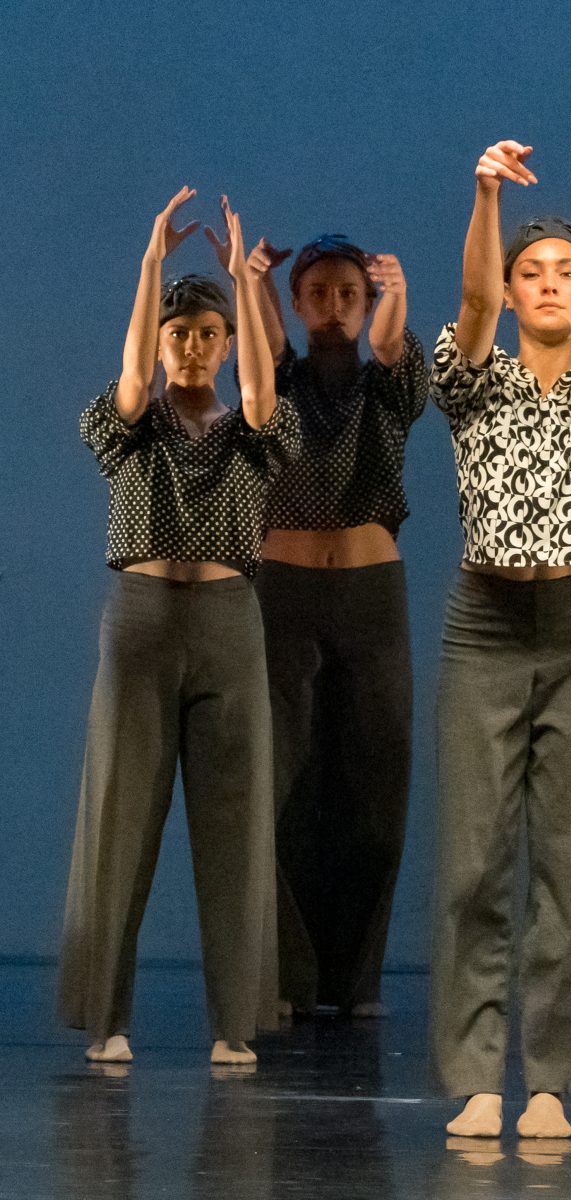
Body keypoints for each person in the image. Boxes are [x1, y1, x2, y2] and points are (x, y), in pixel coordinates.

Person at [429, 140, 571, 1137]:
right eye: (533, 272)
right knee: (472, 860)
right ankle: (477, 1076)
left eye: (568, 270)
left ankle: (551, 1083)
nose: (552, 284)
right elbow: (470, 303)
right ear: (512, 289)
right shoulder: (470, 376)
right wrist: (485, 194)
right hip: (483, 624)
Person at [57, 188, 300, 1064]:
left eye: (207, 333)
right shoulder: (131, 427)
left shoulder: (249, 433)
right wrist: (151, 264)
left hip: (230, 621)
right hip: (144, 620)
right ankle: (107, 1019)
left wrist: (242, 285)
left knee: (236, 824)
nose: (192, 346)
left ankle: (234, 1023)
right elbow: (130, 382)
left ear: (227, 342)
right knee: (120, 814)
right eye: (179, 334)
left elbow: (264, 398)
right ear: (160, 341)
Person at [205, 226, 427, 1015]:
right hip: (285, 594)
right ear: (298, 304)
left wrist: (397, 295)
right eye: (319, 294)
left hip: (371, 596)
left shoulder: (386, 388)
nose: (335, 306)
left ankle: (356, 980)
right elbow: (261, 346)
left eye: (350, 295)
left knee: (376, 787)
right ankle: (292, 977)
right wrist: (252, 281)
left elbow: (394, 346)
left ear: (366, 303)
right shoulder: (280, 382)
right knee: (280, 782)